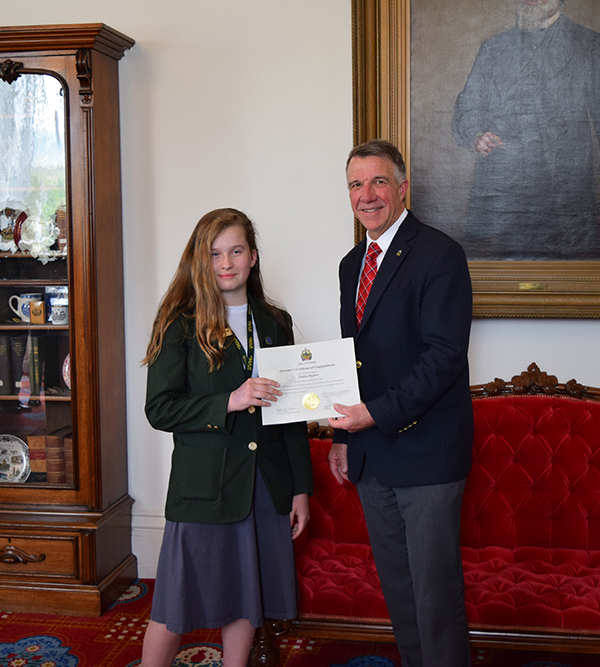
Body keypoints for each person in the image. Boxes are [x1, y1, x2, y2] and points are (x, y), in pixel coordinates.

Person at [140, 208, 313, 667]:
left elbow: (291, 415)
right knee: (173, 605)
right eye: (215, 253)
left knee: (247, 597)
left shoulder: (276, 322)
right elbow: (159, 408)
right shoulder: (179, 322)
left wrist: (299, 488)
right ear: (201, 259)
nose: (226, 263)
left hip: (265, 482)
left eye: (236, 251)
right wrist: (229, 401)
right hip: (204, 487)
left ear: (253, 257)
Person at [327, 140, 473, 667]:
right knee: (402, 594)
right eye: (355, 184)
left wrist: (372, 416)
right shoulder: (351, 264)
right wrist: (345, 437)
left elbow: (443, 358)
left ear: (402, 187)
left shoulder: (440, 254)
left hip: (428, 454)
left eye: (378, 181)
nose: (367, 195)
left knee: (434, 597)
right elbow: (349, 360)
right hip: (371, 455)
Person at [452, 0, 600, 259]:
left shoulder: (588, 44)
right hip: (508, 192)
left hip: (565, 190)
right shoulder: (494, 47)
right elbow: (468, 105)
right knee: (513, 268)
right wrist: (476, 135)